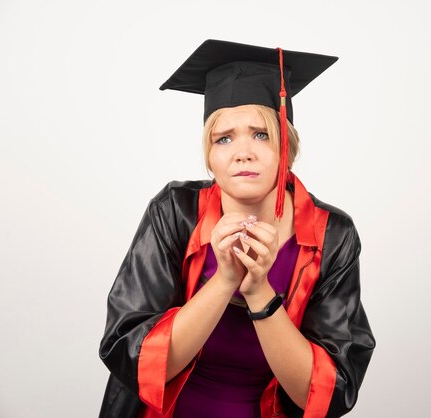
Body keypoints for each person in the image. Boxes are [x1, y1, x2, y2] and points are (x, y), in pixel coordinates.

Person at [98, 39, 375, 418]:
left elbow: (328, 392)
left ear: (286, 148)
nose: (242, 151)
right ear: (210, 156)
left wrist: (259, 292)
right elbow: (135, 356)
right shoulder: (174, 212)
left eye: (260, 134)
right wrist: (225, 279)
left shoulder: (332, 236)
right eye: (223, 138)